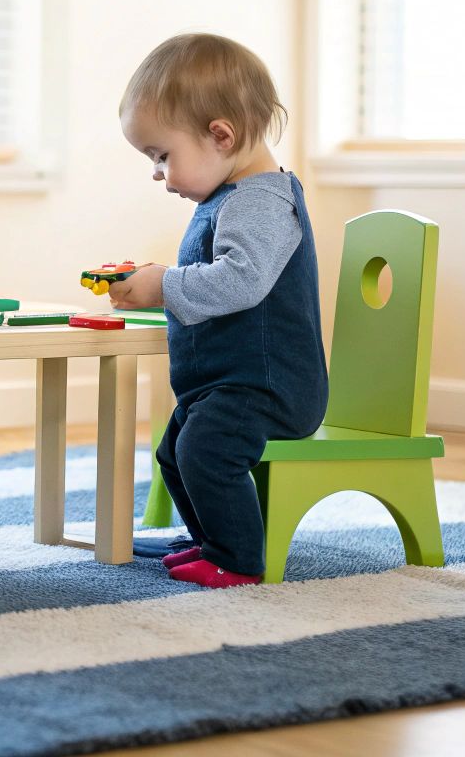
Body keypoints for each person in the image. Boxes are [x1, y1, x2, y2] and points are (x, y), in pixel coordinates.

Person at [107, 33, 329, 588]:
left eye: (162, 156)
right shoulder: (233, 196)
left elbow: (242, 282)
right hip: (230, 384)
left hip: (270, 387)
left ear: (220, 135)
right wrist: (161, 278)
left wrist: (165, 286)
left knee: (204, 451)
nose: (160, 174)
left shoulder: (261, 200)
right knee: (175, 452)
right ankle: (211, 536)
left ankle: (237, 559)